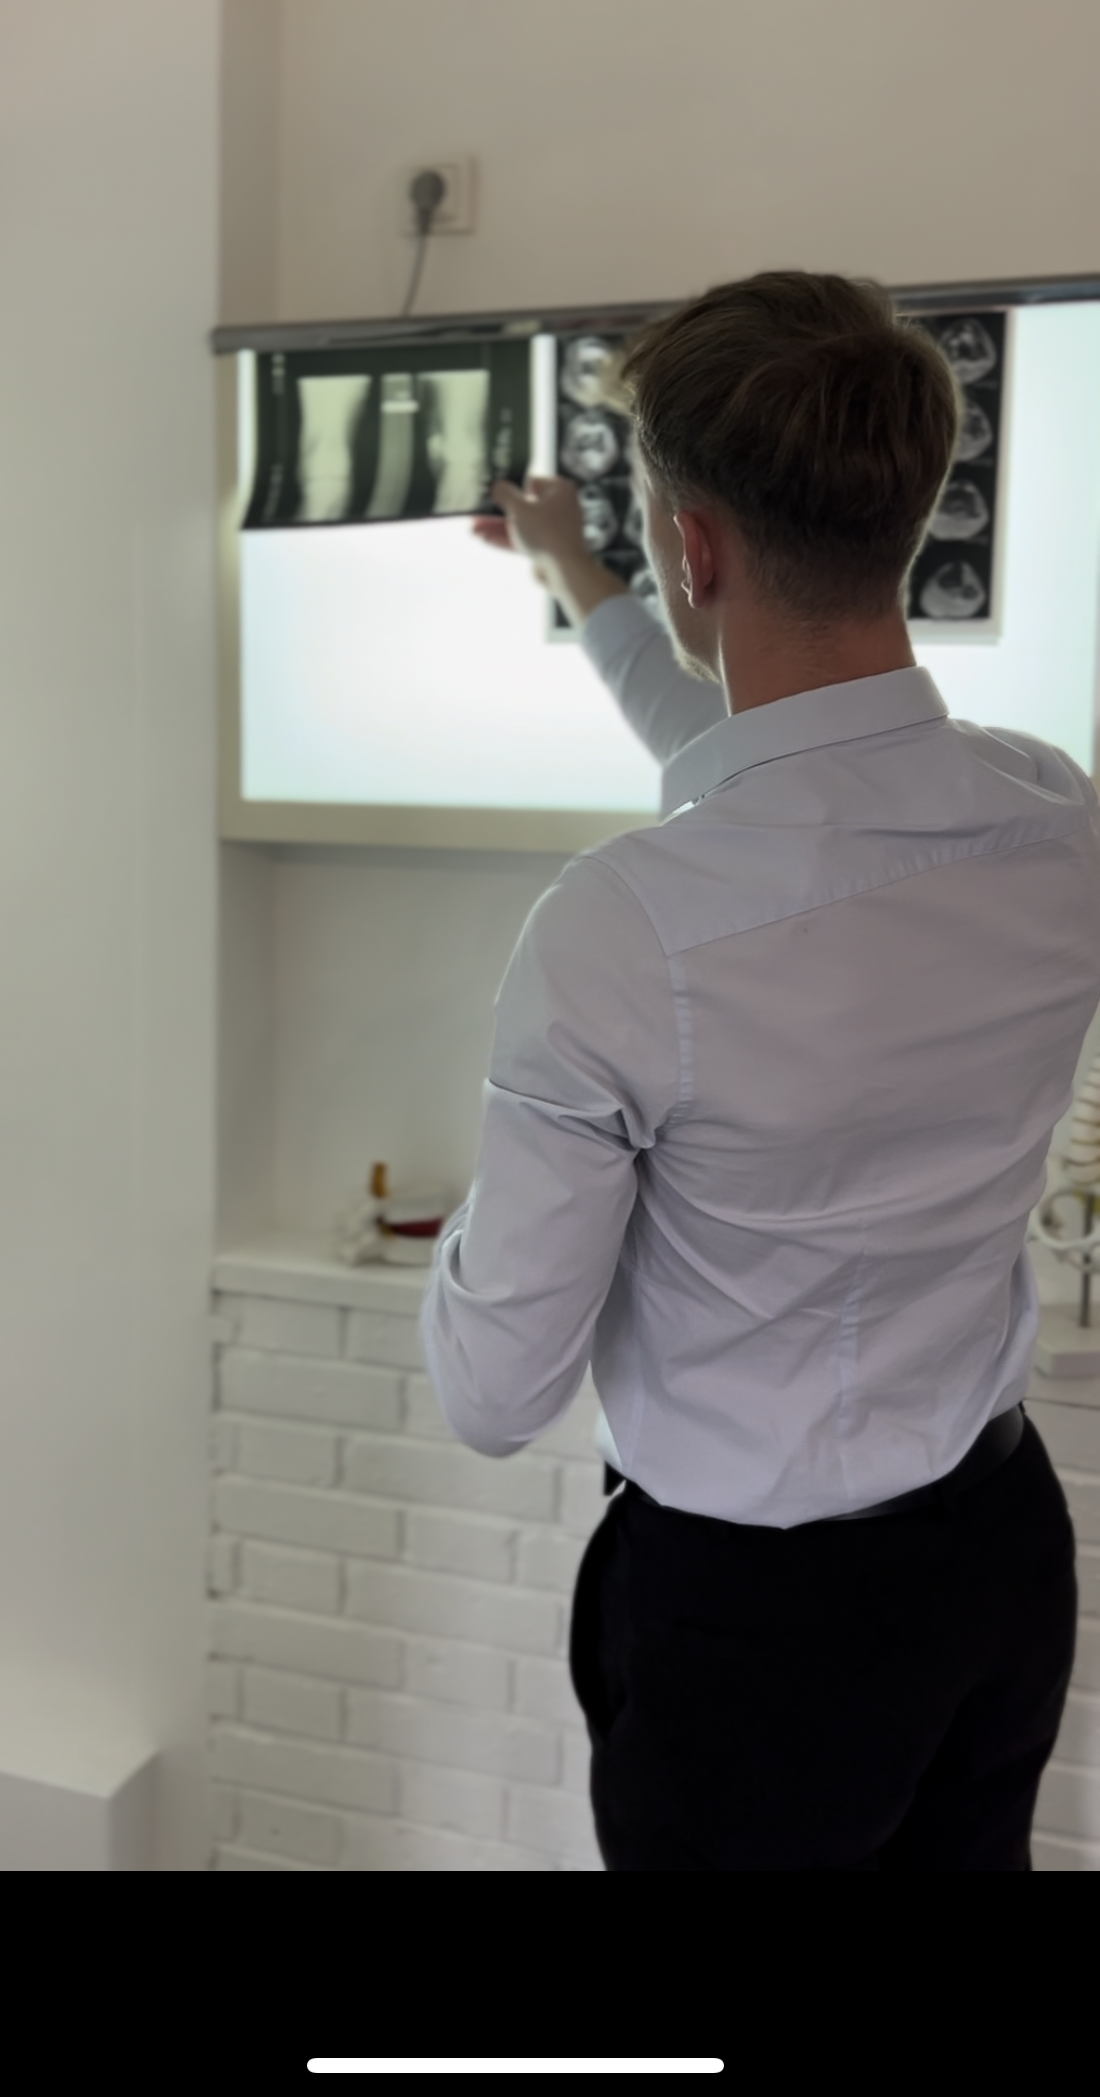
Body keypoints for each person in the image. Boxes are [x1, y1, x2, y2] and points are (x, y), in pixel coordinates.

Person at [419, 271, 1096, 1872]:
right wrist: (580, 568)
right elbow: (764, 768)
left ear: (695, 546)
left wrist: (493, 1214)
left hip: (755, 1630)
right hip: (997, 1561)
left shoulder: (623, 926)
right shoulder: (1051, 815)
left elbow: (493, 1394)